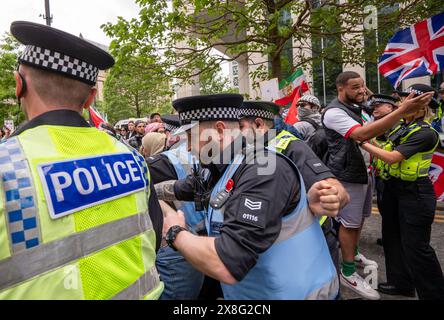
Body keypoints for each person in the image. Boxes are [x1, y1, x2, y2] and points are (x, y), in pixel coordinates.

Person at [0, 21, 163, 300]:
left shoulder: (7, 167)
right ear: (90, 98)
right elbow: (153, 237)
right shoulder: (131, 158)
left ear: (19, 85)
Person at [163, 93, 339, 300]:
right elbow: (180, 188)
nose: (189, 147)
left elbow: (227, 262)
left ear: (219, 130)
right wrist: (144, 185)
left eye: (192, 137)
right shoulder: (220, 167)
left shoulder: (262, 170)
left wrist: (176, 232)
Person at [322, 71, 434, 300]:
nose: (362, 91)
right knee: (350, 224)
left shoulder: (358, 108)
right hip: (349, 175)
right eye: (355, 87)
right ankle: (348, 271)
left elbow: (376, 114)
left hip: (366, 175)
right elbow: (363, 134)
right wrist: (401, 109)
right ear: (340, 89)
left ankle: (351, 254)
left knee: (359, 221)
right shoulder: (334, 112)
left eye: (363, 86)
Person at [238, 100, 350, 274]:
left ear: (259, 124)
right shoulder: (250, 148)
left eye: (240, 126)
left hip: (311, 241)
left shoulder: (291, 145)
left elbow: (332, 185)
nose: (237, 133)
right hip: (276, 244)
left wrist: (334, 196)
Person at [361, 84, 444, 300]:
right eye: (402, 100)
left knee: (416, 247)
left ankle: (434, 294)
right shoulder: (401, 127)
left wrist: (361, 141)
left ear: (420, 108)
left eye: (407, 101)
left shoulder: (426, 133)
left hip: (415, 193)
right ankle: (401, 283)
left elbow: (392, 157)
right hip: (394, 189)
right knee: (392, 238)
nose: (401, 103)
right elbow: (382, 140)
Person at [147, 117, 207, 300]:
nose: (188, 146)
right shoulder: (217, 160)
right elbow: (186, 187)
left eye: (191, 138)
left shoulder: (163, 161)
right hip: (201, 243)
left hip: (186, 243)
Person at [366, 94, 399, 247]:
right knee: (384, 209)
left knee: (394, 211)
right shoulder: (378, 123)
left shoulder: (397, 124)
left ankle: (395, 241)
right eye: (374, 106)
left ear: (390, 107)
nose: (375, 108)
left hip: (396, 177)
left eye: (379, 105)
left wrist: (367, 142)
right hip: (381, 174)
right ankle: (389, 239)